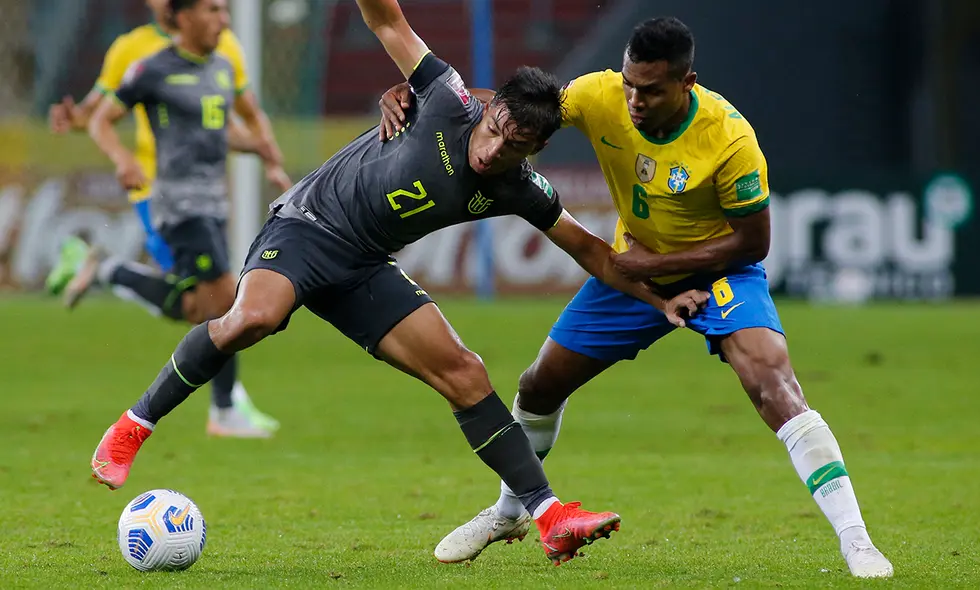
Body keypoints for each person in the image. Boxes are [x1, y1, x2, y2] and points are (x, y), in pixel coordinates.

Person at [88, 0, 710, 567]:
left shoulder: (519, 188)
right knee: (254, 317)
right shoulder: (447, 97)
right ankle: (131, 428)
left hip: (364, 266)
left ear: (536, 148)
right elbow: (387, 19)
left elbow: (594, 253)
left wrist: (661, 298)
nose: (492, 149)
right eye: (495, 128)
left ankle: (550, 517)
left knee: (465, 373)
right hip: (306, 227)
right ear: (490, 108)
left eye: (514, 145)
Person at [377, 16, 894, 578]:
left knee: (774, 383)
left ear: (686, 82)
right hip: (633, 272)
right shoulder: (600, 94)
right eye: (629, 84)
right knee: (539, 385)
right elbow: (519, 109)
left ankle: (857, 540)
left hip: (718, 274)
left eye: (649, 90)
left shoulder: (729, 140)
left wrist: (658, 264)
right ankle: (510, 511)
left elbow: (754, 242)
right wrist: (422, 95)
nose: (635, 100)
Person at [47, 0, 288, 438]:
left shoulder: (221, 67)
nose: (224, 19)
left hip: (215, 203)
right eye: (213, 10)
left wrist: (263, 151)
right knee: (228, 299)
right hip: (178, 205)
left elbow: (218, 127)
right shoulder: (151, 67)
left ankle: (107, 270)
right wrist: (123, 159)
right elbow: (101, 120)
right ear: (185, 16)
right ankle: (224, 409)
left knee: (197, 305)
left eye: (224, 10)